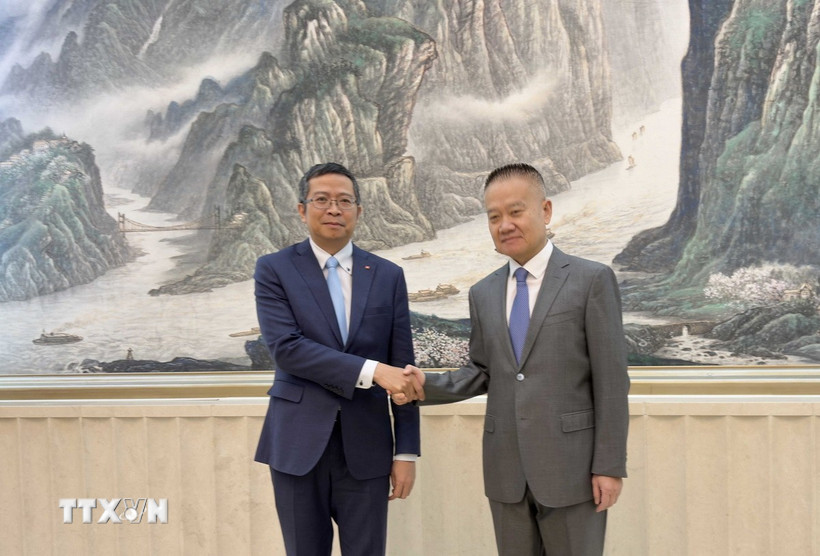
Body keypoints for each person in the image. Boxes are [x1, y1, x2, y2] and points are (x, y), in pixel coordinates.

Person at [402, 162, 630, 555]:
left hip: (573, 471)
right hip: (506, 471)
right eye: (494, 217)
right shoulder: (483, 293)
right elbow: (482, 370)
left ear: (545, 210)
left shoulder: (591, 280)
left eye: (515, 211)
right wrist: (423, 385)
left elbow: (611, 381)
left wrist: (609, 466)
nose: (504, 224)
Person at [254, 162, 424, 555]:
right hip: (297, 445)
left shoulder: (388, 275)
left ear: (359, 212)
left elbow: (405, 369)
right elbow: (287, 348)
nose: (334, 209)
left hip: (367, 448)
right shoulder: (274, 269)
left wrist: (406, 451)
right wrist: (372, 370)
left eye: (345, 201)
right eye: (322, 200)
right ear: (302, 209)